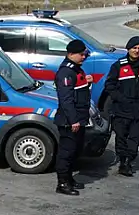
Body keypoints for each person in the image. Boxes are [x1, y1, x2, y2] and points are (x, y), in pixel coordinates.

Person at [103, 36, 139, 177]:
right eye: (134, 48)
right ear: (128, 49)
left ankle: (129, 160)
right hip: (122, 109)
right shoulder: (119, 65)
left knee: (135, 137)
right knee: (121, 137)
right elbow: (109, 85)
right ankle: (123, 162)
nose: (137, 51)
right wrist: (120, 99)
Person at [54, 39, 93, 196]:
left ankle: (69, 179)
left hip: (80, 118)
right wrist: (73, 120)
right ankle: (62, 183)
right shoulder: (66, 72)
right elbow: (66, 99)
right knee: (66, 152)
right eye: (81, 54)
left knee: (75, 151)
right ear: (70, 54)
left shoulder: (76, 70)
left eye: (85, 54)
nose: (83, 57)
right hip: (69, 121)